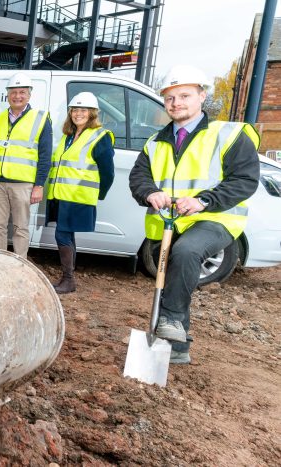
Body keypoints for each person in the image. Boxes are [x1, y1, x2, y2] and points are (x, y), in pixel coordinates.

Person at [129, 65, 260, 364]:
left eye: (185, 95)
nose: (176, 103)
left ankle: (172, 320)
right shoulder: (155, 141)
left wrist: (203, 201)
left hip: (216, 218)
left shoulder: (229, 134)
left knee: (187, 252)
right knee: (177, 271)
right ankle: (177, 347)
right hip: (170, 221)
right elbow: (139, 178)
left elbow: (244, 180)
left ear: (202, 96)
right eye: (170, 98)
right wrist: (150, 193)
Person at [46, 91, 115, 294]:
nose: (78, 113)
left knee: (62, 235)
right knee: (67, 234)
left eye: (83, 110)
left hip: (78, 196)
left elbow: (108, 172)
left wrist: (98, 194)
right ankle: (69, 278)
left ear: (92, 113)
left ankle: (68, 280)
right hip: (62, 195)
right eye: (75, 109)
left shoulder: (100, 136)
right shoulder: (69, 136)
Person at [0, 72, 52, 258]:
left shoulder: (40, 118)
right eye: (13, 92)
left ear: (29, 95)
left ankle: (19, 263)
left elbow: (45, 156)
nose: (17, 96)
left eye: (22, 92)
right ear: (7, 94)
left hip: (23, 183)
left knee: (20, 227)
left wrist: (39, 185)